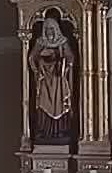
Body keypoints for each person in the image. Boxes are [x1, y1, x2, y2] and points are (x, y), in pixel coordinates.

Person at [29, 12, 76, 145]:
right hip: (45, 80)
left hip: (58, 80)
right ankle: (45, 130)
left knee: (60, 103)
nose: (49, 32)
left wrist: (63, 62)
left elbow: (70, 58)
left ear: (56, 29)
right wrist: (39, 65)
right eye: (47, 29)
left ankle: (60, 130)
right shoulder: (40, 42)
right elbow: (32, 58)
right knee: (44, 103)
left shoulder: (62, 42)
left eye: (52, 29)